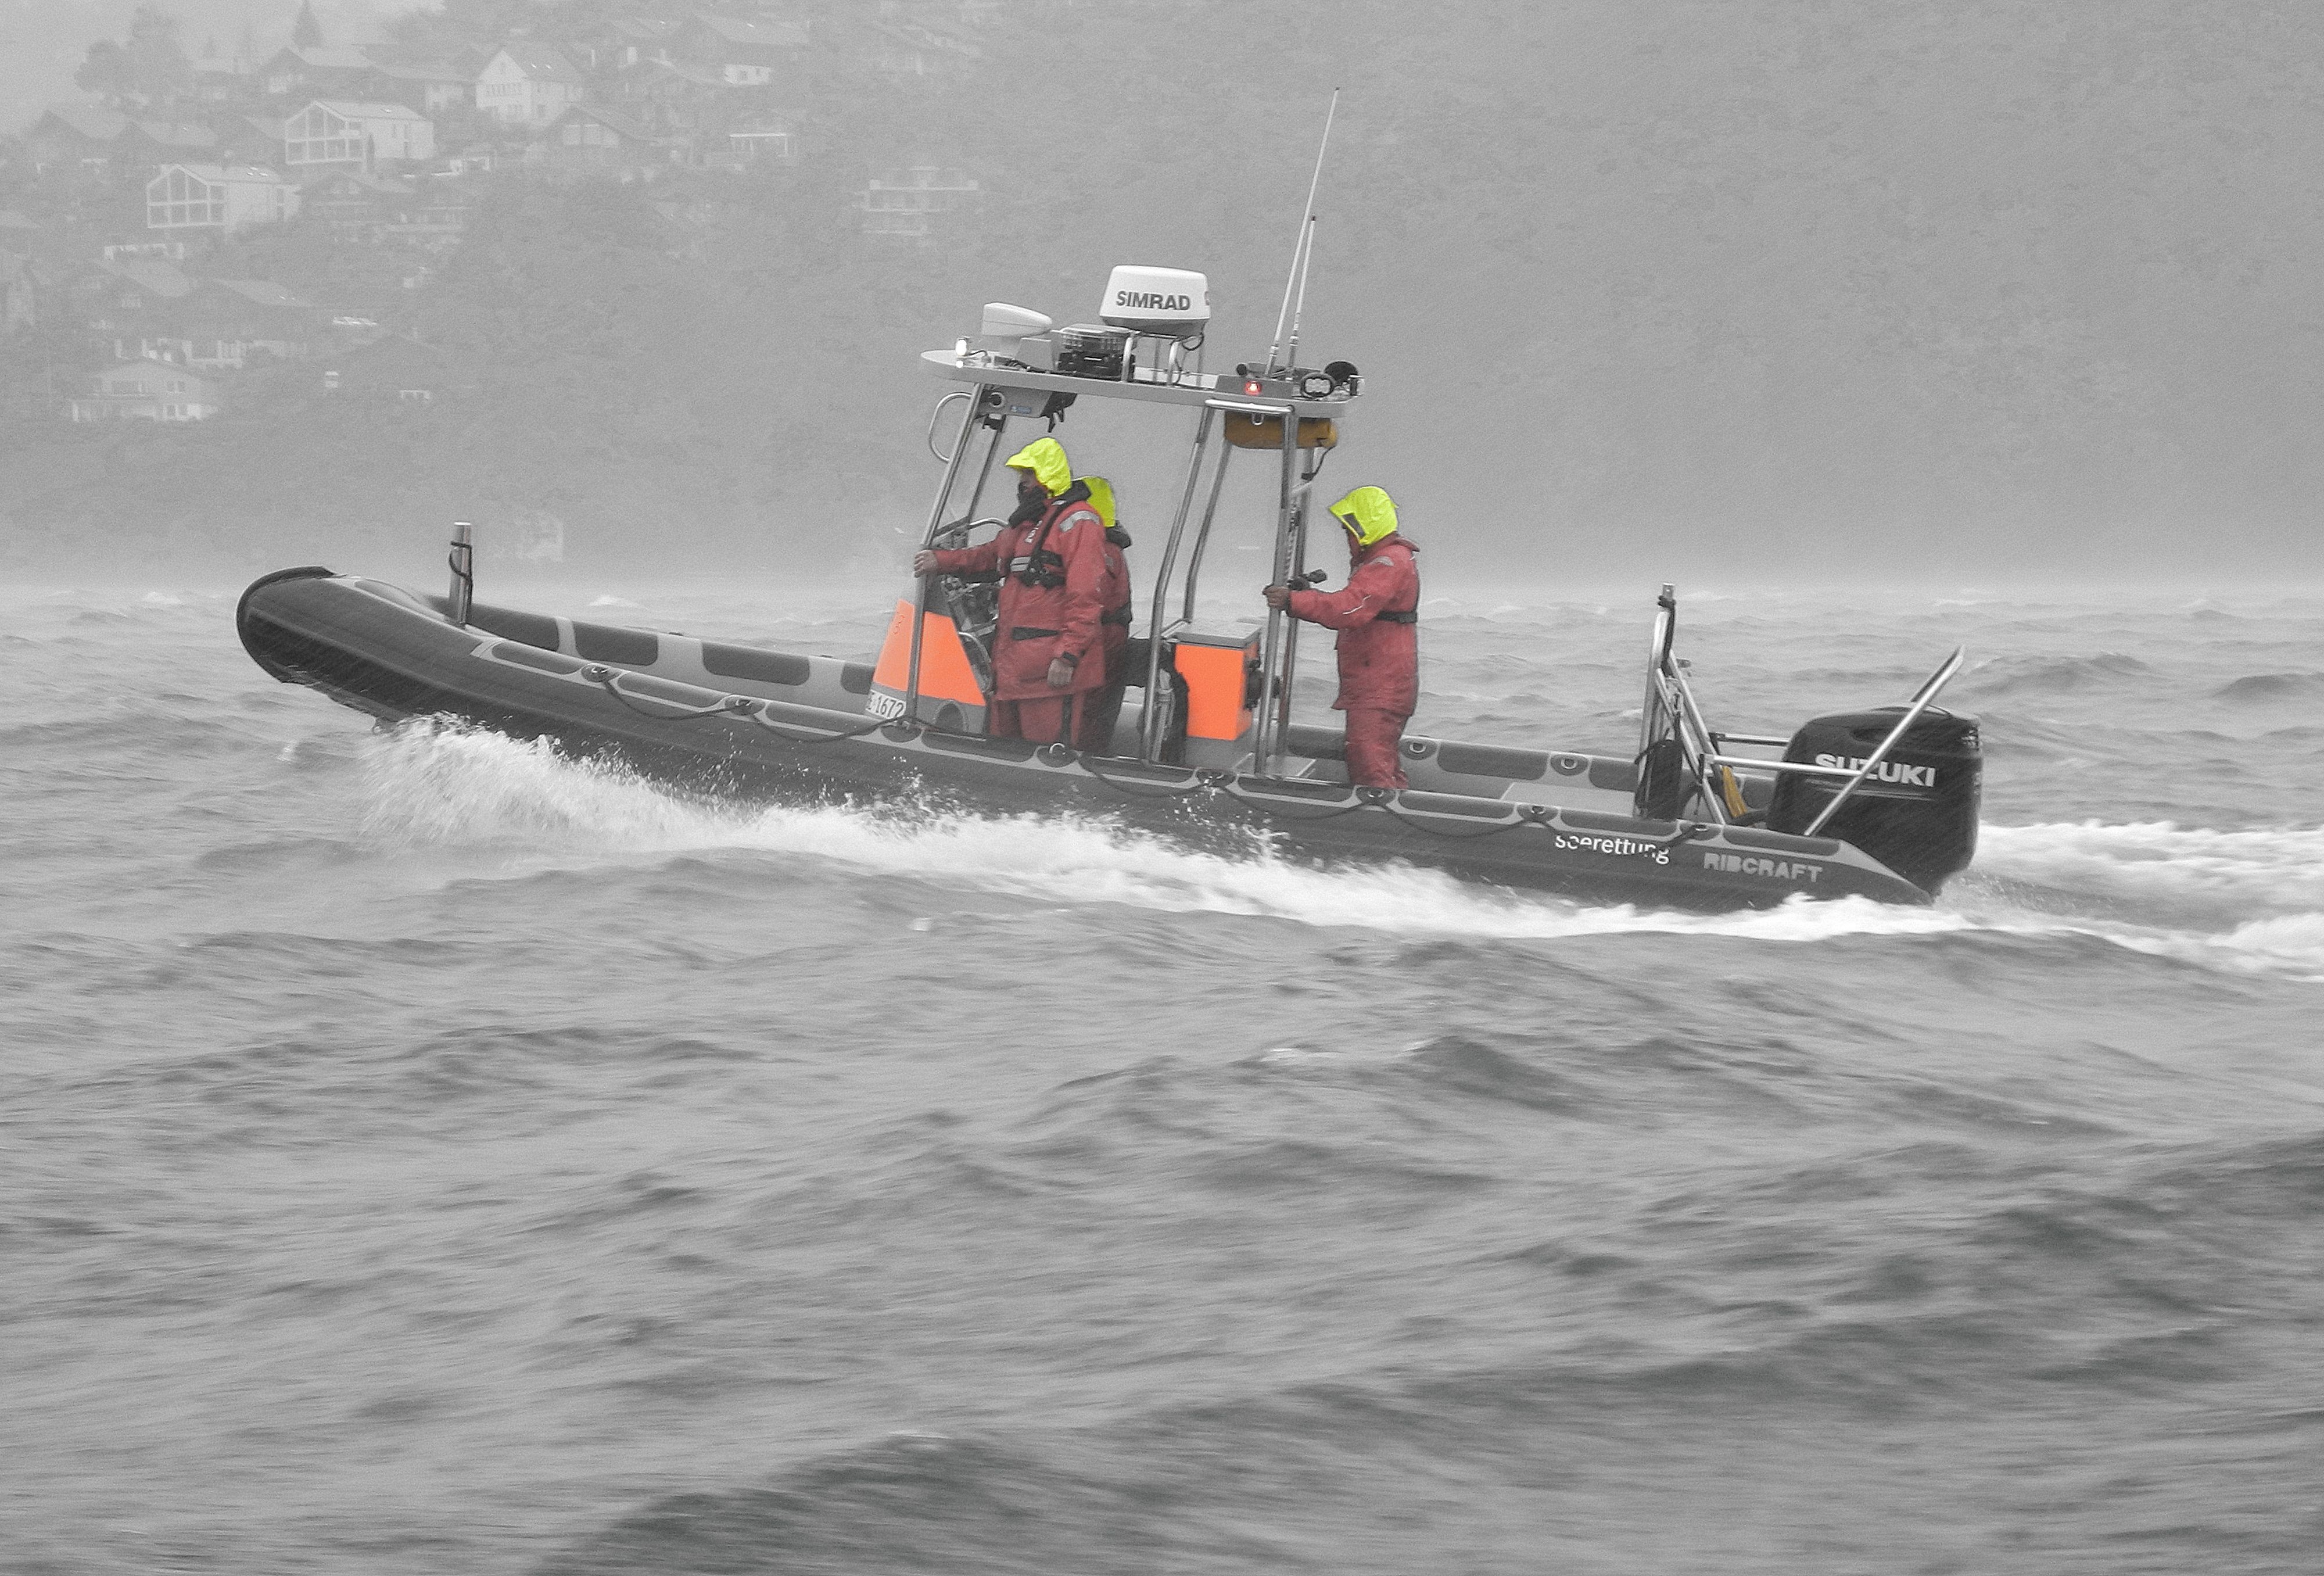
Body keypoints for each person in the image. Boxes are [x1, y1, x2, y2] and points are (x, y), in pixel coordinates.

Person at [913, 436, 1106, 744]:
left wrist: (1067, 656)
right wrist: (940, 560)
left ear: (1048, 475)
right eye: (1022, 475)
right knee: (1002, 749)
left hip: (1049, 673)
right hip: (1014, 669)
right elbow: (988, 556)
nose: (1022, 482)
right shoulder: (1026, 525)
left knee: (1048, 755)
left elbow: (1086, 596)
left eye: (1029, 474)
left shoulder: (1078, 522)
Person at [1262, 485, 1420, 790]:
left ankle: (1381, 814)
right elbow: (1354, 603)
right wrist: (1305, 596)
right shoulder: (1387, 560)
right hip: (1379, 680)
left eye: (1350, 529)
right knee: (1378, 759)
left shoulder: (1387, 563)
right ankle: (1395, 805)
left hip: (1380, 683)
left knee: (1369, 761)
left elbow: (1350, 609)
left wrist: (1293, 601)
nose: (1347, 537)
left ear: (1365, 527)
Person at [1074, 474, 1134, 751]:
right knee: (1097, 706)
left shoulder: (1099, 551)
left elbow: (1086, 599)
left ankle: (1084, 755)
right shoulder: (1110, 547)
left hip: (1099, 640)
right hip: (1108, 636)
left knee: (1088, 708)